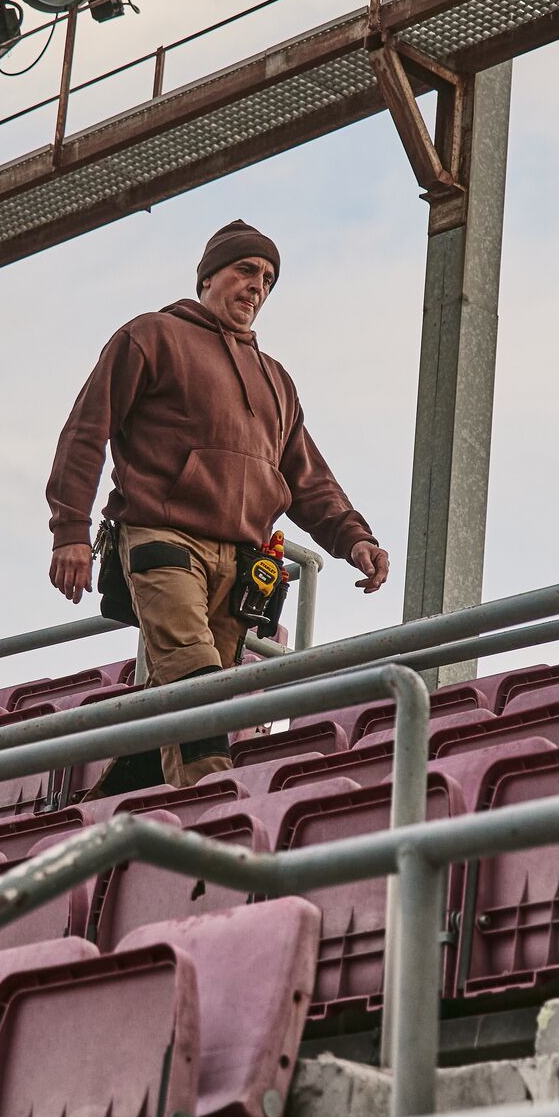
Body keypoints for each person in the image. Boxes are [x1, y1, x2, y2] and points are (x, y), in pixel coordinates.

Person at [47, 219, 390, 789]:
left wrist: (355, 537)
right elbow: (86, 431)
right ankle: (215, 803)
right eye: (246, 270)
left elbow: (306, 479)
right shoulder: (150, 336)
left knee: (187, 697)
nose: (258, 286)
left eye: (269, 279)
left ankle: (107, 808)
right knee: (197, 673)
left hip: (245, 560)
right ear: (209, 276)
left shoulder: (277, 380)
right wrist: (70, 532)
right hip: (163, 537)